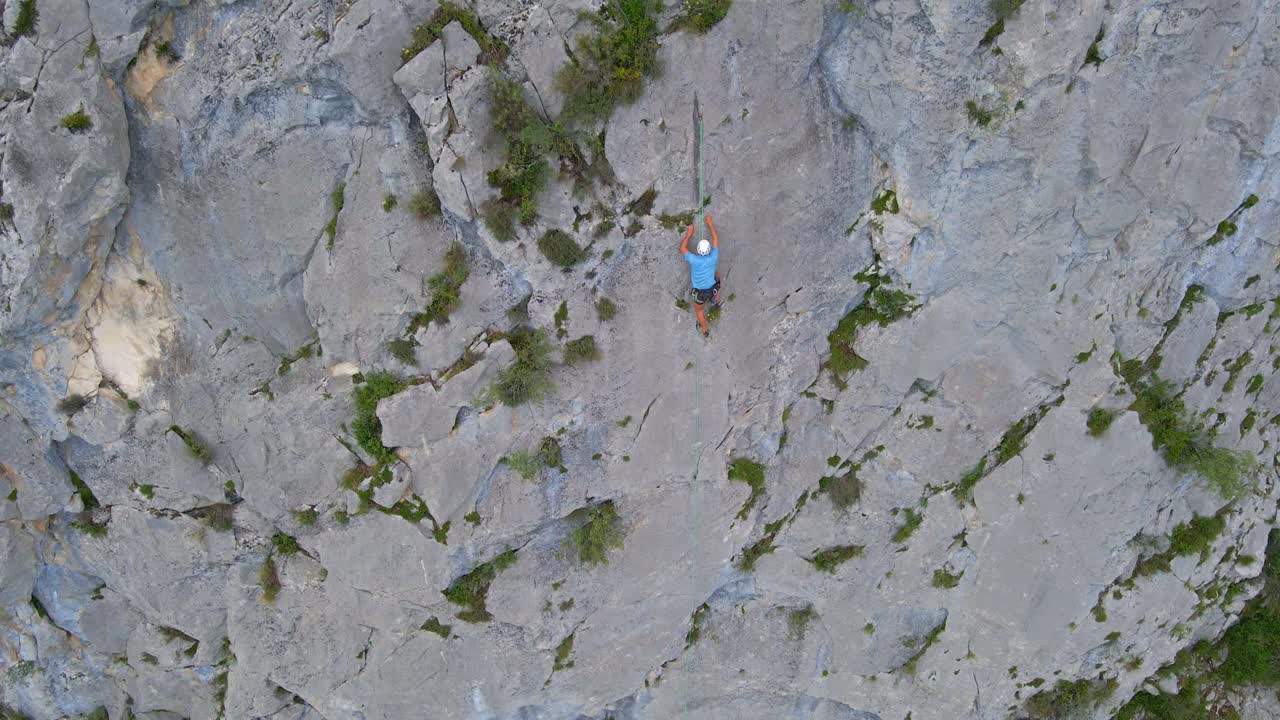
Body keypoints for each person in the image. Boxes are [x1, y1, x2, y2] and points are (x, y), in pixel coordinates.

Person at [679, 215, 722, 336]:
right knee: (717, 276)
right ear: (709, 250)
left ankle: (704, 330)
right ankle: (716, 302)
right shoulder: (713, 256)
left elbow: (682, 248)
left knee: (699, 310)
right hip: (712, 288)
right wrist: (710, 223)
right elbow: (715, 240)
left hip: (700, 293)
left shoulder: (694, 259)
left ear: (697, 250)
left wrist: (689, 233)